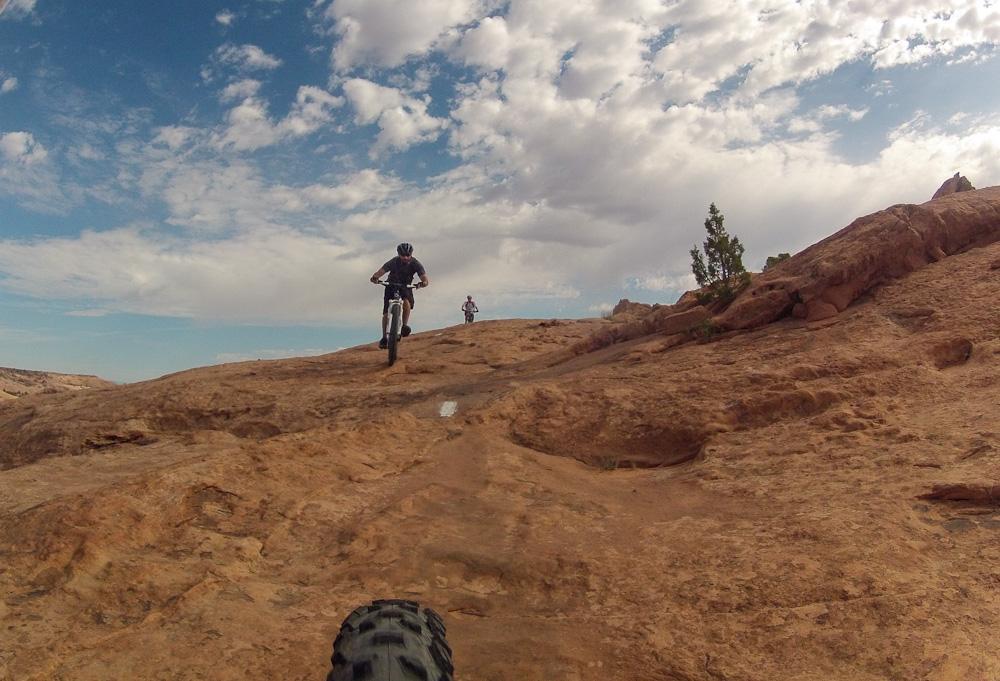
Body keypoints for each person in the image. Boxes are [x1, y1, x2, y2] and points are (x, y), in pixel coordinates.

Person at [370, 242, 429, 349]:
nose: (406, 258)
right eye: (403, 255)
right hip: (391, 284)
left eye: (408, 255)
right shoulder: (394, 261)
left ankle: (404, 326)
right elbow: (382, 271)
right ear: (398, 254)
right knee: (385, 312)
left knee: (407, 301)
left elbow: (424, 278)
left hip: (406, 285)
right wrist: (375, 277)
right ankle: (384, 337)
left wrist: (423, 283)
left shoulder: (415, 263)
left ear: (411, 254)